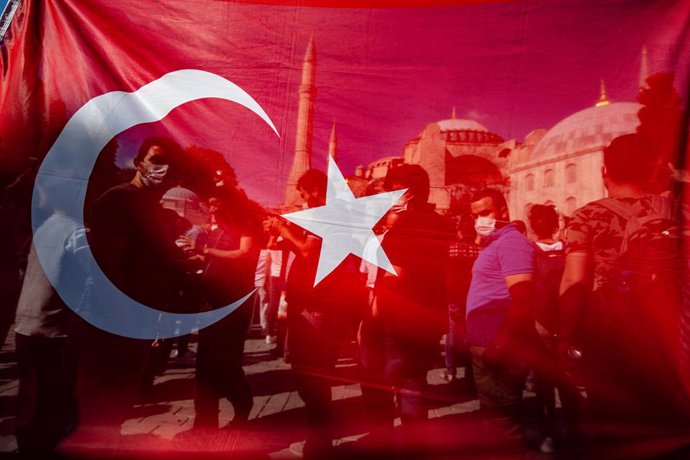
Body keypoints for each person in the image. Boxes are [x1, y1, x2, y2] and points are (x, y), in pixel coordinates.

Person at [558, 133, 690, 454]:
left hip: (612, 349)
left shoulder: (588, 217)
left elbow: (574, 283)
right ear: (653, 169)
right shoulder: (682, 212)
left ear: (604, 172)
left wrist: (564, 339)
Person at [73, 137, 186, 438]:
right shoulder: (121, 200)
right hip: (112, 324)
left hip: (135, 323)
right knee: (99, 410)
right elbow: (105, 268)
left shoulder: (154, 211)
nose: (163, 170)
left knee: (116, 407)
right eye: (156, 160)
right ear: (139, 163)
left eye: (170, 165)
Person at [359, 164, 453, 454]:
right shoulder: (440, 223)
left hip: (395, 323)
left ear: (407, 192)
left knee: (378, 386)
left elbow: (394, 277)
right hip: (426, 320)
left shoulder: (407, 225)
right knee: (414, 383)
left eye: (391, 189)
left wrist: (369, 323)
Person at [267, 169, 349, 458]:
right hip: (310, 307)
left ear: (315, 191)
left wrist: (284, 230)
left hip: (317, 310)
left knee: (312, 378)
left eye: (304, 194)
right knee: (310, 377)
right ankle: (320, 439)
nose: (303, 201)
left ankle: (319, 444)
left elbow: (309, 253)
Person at [13, 177, 87, 454]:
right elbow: (101, 279)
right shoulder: (76, 233)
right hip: (52, 331)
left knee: (31, 398)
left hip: (25, 325)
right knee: (55, 403)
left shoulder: (43, 228)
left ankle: (28, 448)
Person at [465, 188, 536, 444]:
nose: (479, 220)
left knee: (503, 426)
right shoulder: (495, 242)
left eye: (486, 212)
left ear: (503, 211)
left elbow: (523, 298)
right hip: (486, 345)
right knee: (493, 422)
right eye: (475, 215)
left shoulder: (512, 242)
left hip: (499, 348)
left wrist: (500, 344)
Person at [187, 189, 262, 429]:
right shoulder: (214, 230)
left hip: (233, 304)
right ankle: (204, 424)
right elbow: (212, 261)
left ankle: (242, 403)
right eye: (209, 204)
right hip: (211, 301)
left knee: (226, 362)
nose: (212, 209)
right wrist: (192, 257)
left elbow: (244, 253)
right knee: (205, 364)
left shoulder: (246, 225)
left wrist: (206, 251)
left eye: (215, 203)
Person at [443, 216, 478, 384]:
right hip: (473, 298)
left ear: (460, 232)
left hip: (454, 298)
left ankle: (451, 371)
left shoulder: (451, 249)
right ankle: (470, 374)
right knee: (471, 336)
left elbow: (447, 275)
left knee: (452, 336)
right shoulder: (479, 250)